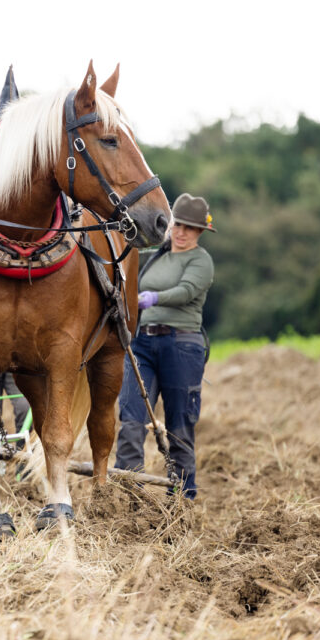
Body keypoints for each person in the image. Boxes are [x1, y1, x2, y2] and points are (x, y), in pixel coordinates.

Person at [115, 193, 215, 499]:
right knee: (131, 418)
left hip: (181, 346)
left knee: (179, 425)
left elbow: (186, 291)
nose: (182, 233)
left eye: (191, 228)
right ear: (170, 225)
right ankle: (131, 493)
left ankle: (182, 498)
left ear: (200, 232)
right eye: (179, 225)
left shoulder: (201, 261)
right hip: (143, 343)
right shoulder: (157, 256)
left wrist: (154, 298)